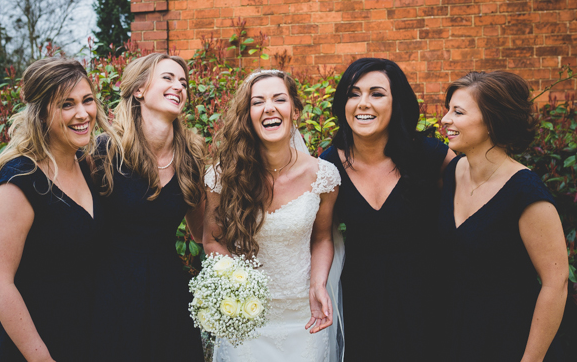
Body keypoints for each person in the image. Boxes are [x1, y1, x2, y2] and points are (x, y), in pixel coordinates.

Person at [0, 58, 117, 361]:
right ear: (41, 114)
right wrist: (41, 357)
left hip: (83, 338)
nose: (83, 114)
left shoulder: (88, 165)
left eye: (87, 100)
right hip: (31, 346)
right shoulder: (19, 181)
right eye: (67, 105)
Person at [319, 58, 455, 361]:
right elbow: (320, 236)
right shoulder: (328, 166)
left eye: (376, 94)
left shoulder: (434, 157)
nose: (363, 103)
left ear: (397, 103)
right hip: (361, 301)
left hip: (428, 298)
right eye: (353, 94)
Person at [203, 69, 342, 362]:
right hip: (246, 318)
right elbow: (212, 240)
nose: (269, 107)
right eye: (258, 102)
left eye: (279, 99)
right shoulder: (222, 176)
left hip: (304, 316)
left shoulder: (323, 176)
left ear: (295, 111)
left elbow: (322, 238)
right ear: (247, 115)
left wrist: (318, 285)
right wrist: (237, 287)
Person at [438, 71, 568, 361]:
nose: (445, 119)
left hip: (510, 341)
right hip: (458, 336)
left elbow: (555, 282)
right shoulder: (452, 172)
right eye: (448, 110)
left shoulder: (525, 192)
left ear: (491, 122)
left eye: (458, 112)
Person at [89, 53, 206, 361]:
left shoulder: (191, 160)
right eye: (168, 78)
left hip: (168, 294)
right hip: (112, 292)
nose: (179, 86)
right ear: (139, 90)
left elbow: (202, 232)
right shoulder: (105, 151)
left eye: (183, 82)